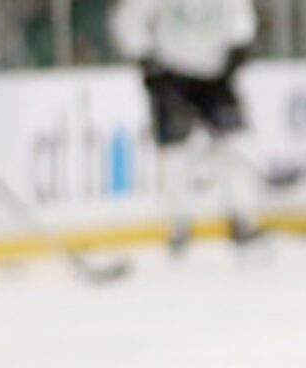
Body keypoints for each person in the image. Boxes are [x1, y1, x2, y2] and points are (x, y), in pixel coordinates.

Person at [110, 0, 262, 252]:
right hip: (172, 73)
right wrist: (146, 56)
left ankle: (242, 217)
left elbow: (242, 18)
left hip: (216, 73)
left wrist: (238, 48)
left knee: (236, 138)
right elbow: (130, 18)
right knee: (174, 148)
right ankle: (177, 223)